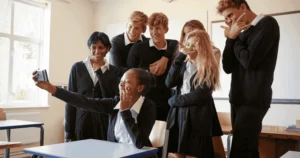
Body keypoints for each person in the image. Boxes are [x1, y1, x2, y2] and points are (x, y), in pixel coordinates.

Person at [217, 0, 280, 157]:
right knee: (247, 150)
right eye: (225, 19)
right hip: (237, 98)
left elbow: (250, 61)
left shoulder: (267, 24)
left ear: (243, 7)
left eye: (230, 15)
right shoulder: (239, 34)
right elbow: (227, 67)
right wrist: (230, 40)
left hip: (254, 99)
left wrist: (234, 39)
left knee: (240, 150)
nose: (229, 21)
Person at [33, 68, 156, 149]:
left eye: (127, 81)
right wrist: (51, 88)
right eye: (121, 81)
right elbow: (84, 102)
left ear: (140, 88)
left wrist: (124, 112)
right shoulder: (115, 102)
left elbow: (140, 143)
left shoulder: (148, 107)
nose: (121, 84)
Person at [165, 30, 222, 158]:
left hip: (197, 115)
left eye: (194, 45)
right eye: (188, 44)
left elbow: (201, 94)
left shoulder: (209, 66)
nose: (190, 48)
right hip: (179, 114)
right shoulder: (182, 64)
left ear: (202, 47)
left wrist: (175, 100)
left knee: (194, 154)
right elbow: (169, 82)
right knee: (178, 152)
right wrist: (179, 58)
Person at [64, 32, 122, 142]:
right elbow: (70, 100)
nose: (97, 51)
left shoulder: (114, 71)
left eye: (101, 47)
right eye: (93, 47)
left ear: (107, 49)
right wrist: (68, 132)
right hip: (82, 123)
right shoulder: (77, 68)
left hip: (104, 126)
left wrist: (100, 73)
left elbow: (111, 99)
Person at [127, 12, 178, 121]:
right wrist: (147, 69)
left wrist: (165, 58)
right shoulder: (137, 48)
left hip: (168, 104)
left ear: (166, 29)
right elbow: (128, 72)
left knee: (166, 137)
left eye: (158, 28)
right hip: (143, 104)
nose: (154, 32)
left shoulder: (174, 48)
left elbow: (176, 44)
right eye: (151, 28)